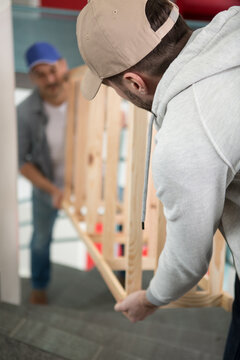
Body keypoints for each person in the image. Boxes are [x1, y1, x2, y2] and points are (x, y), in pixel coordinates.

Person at [76, 0, 240, 358]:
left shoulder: (186, 137)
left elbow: (189, 259)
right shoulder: (232, 23)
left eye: (114, 88)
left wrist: (151, 299)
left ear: (135, 83)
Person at [17, 42, 69, 305]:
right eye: (41, 74)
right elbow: (20, 161)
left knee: (121, 224)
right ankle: (38, 286)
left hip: (87, 182)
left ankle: (122, 280)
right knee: (40, 240)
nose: (50, 79)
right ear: (32, 78)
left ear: (63, 65)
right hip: (48, 185)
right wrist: (52, 190)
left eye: (52, 70)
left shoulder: (86, 96)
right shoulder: (25, 112)